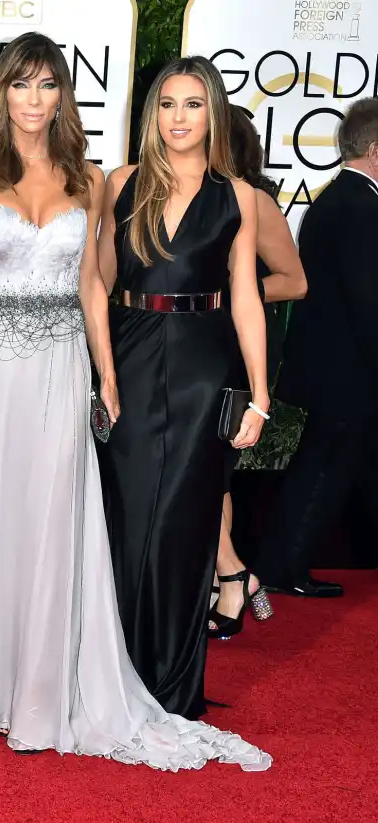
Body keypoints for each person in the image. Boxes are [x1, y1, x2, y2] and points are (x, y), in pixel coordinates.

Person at [0, 33, 270, 770]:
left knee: (58, 524)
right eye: (19, 86)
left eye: (46, 85)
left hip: (63, 367)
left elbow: (94, 281)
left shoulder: (92, 178)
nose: (32, 100)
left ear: (63, 95)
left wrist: (105, 372)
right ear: (1, 95)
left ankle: (45, 686)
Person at [98, 56, 269, 721]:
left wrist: (257, 392)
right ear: (151, 115)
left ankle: (170, 685)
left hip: (203, 365)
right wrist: (104, 371)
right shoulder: (122, 184)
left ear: (213, 113)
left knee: (184, 522)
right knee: (129, 514)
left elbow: (248, 296)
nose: (178, 117)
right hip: (134, 354)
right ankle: (116, 674)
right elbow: (99, 281)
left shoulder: (238, 197)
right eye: (167, 104)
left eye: (193, 104)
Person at [254, 97, 378, 598]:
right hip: (347, 371)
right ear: (375, 149)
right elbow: (368, 299)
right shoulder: (359, 207)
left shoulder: (340, 199)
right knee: (324, 469)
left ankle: (285, 563)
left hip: (338, 368)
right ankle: (285, 567)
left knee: (328, 466)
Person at [208, 105, 307, 638]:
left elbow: (294, 281)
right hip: (196, 348)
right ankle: (225, 577)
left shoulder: (254, 200)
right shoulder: (189, 191)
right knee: (209, 476)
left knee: (209, 472)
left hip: (235, 352)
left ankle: (231, 576)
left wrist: (226, 297)